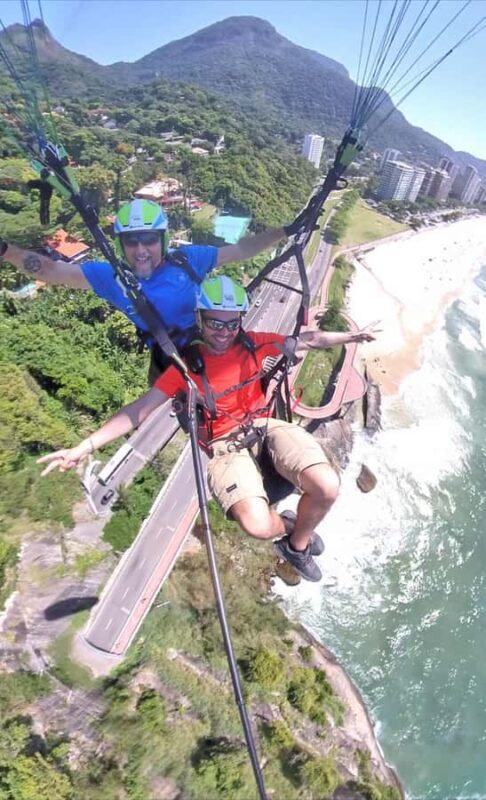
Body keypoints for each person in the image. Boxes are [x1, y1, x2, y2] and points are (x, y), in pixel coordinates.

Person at [37, 275, 379, 582]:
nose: (225, 332)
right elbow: (138, 410)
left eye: (232, 324)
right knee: (258, 525)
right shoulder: (186, 368)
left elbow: (308, 340)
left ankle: (297, 546)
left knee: (327, 485)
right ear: (200, 318)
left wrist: (351, 336)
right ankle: (290, 525)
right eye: (215, 323)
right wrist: (85, 447)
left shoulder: (254, 343)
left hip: (264, 423)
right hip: (225, 443)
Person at [0, 199, 306, 382]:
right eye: (131, 242)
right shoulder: (111, 278)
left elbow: (241, 249)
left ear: (163, 239)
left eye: (149, 240)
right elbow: (52, 270)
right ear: (120, 245)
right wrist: (6, 251)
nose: (141, 250)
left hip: (213, 335)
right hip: (170, 355)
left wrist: (286, 231)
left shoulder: (187, 259)